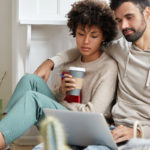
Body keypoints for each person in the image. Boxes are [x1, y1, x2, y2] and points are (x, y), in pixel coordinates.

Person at [0, 0, 118, 149]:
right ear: (74, 32)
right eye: (81, 34)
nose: (86, 41)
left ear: (103, 37)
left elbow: (94, 113)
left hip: (89, 130)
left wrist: (61, 104)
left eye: (94, 36)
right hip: (66, 121)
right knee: (30, 80)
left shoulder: (109, 67)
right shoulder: (71, 63)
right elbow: (56, 100)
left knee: (34, 99)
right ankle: (4, 140)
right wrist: (61, 91)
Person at [35, 0, 150, 144]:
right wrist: (50, 62)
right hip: (111, 130)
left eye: (129, 17)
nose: (123, 26)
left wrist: (139, 132)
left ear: (147, 13)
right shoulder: (119, 48)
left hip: (140, 136)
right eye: (119, 20)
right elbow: (85, 48)